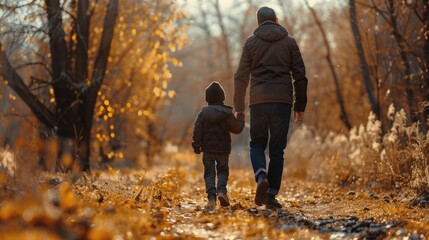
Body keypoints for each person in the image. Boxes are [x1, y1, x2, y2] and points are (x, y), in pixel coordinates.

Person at [234, 6, 308, 209]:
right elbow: (300, 76)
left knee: (257, 144)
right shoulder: (289, 42)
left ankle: (260, 176)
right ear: (276, 20)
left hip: (258, 101)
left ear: (258, 23)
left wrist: (239, 107)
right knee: (277, 150)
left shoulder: (251, 43)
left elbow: (241, 76)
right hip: (282, 101)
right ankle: (271, 195)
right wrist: (300, 105)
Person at [192, 81, 245, 212]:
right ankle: (221, 191)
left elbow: (197, 131)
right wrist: (241, 115)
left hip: (208, 150)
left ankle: (211, 198)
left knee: (209, 173)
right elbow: (237, 128)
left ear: (207, 98)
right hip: (223, 150)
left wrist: (196, 145)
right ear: (222, 97)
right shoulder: (227, 113)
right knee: (222, 171)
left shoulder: (203, 114)